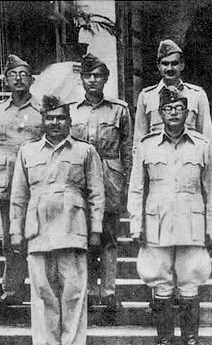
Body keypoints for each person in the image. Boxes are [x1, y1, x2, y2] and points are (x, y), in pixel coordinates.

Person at [128, 88, 212, 345]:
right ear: (160, 113)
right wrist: (136, 224)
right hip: (156, 224)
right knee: (160, 283)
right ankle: (165, 343)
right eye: (168, 108)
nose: (173, 112)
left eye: (179, 108)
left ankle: (191, 344)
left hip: (192, 224)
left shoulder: (201, 145)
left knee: (190, 283)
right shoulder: (146, 145)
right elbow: (136, 188)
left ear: (187, 112)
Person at [9, 95, 105, 345]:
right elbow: (18, 195)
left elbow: (96, 193)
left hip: (72, 226)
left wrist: (95, 228)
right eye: (50, 117)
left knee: (74, 289)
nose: (55, 122)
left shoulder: (85, 151)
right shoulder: (27, 152)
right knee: (42, 290)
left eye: (60, 117)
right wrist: (16, 230)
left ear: (69, 121)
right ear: (43, 120)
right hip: (38, 228)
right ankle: (46, 344)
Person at [70, 53, 132, 311]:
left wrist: (126, 183)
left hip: (109, 176)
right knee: (82, 237)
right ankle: (86, 290)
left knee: (107, 236)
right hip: (80, 178)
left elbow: (127, 149)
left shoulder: (119, 109)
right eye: (88, 76)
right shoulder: (71, 109)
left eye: (98, 76)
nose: (93, 80)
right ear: (81, 79)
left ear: (106, 79)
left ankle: (107, 291)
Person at [0, 54, 43, 306]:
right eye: (13, 75)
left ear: (31, 79)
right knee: (11, 236)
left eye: (23, 75)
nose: (18, 79)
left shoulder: (42, 109)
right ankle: (12, 288)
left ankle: (41, 287)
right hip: (6, 179)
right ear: (5, 80)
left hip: (36, 176)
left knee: (39, 233)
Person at [133, 39, 212, 150]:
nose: (169, 68)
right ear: (158, 66)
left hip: (189, 158)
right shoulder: (146, 96)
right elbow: (139, 139)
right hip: (157, 159)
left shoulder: (197, 95)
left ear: (182, 65)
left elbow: (206, 136)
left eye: (174, 63)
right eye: (165, 64)